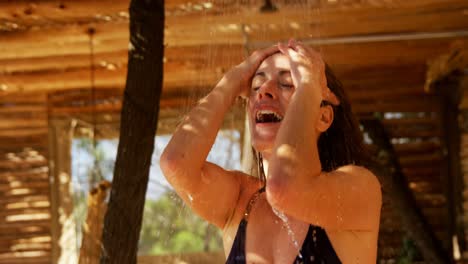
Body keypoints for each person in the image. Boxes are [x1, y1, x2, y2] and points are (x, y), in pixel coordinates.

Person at [160, 39, 382, 264]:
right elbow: (176, 164)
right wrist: (231, 83)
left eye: (287, 84)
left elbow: (285, 189)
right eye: (256, 87)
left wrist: (308, 84)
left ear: (323, 116)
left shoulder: (361, 189)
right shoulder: (239, 202)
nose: (264, 91)